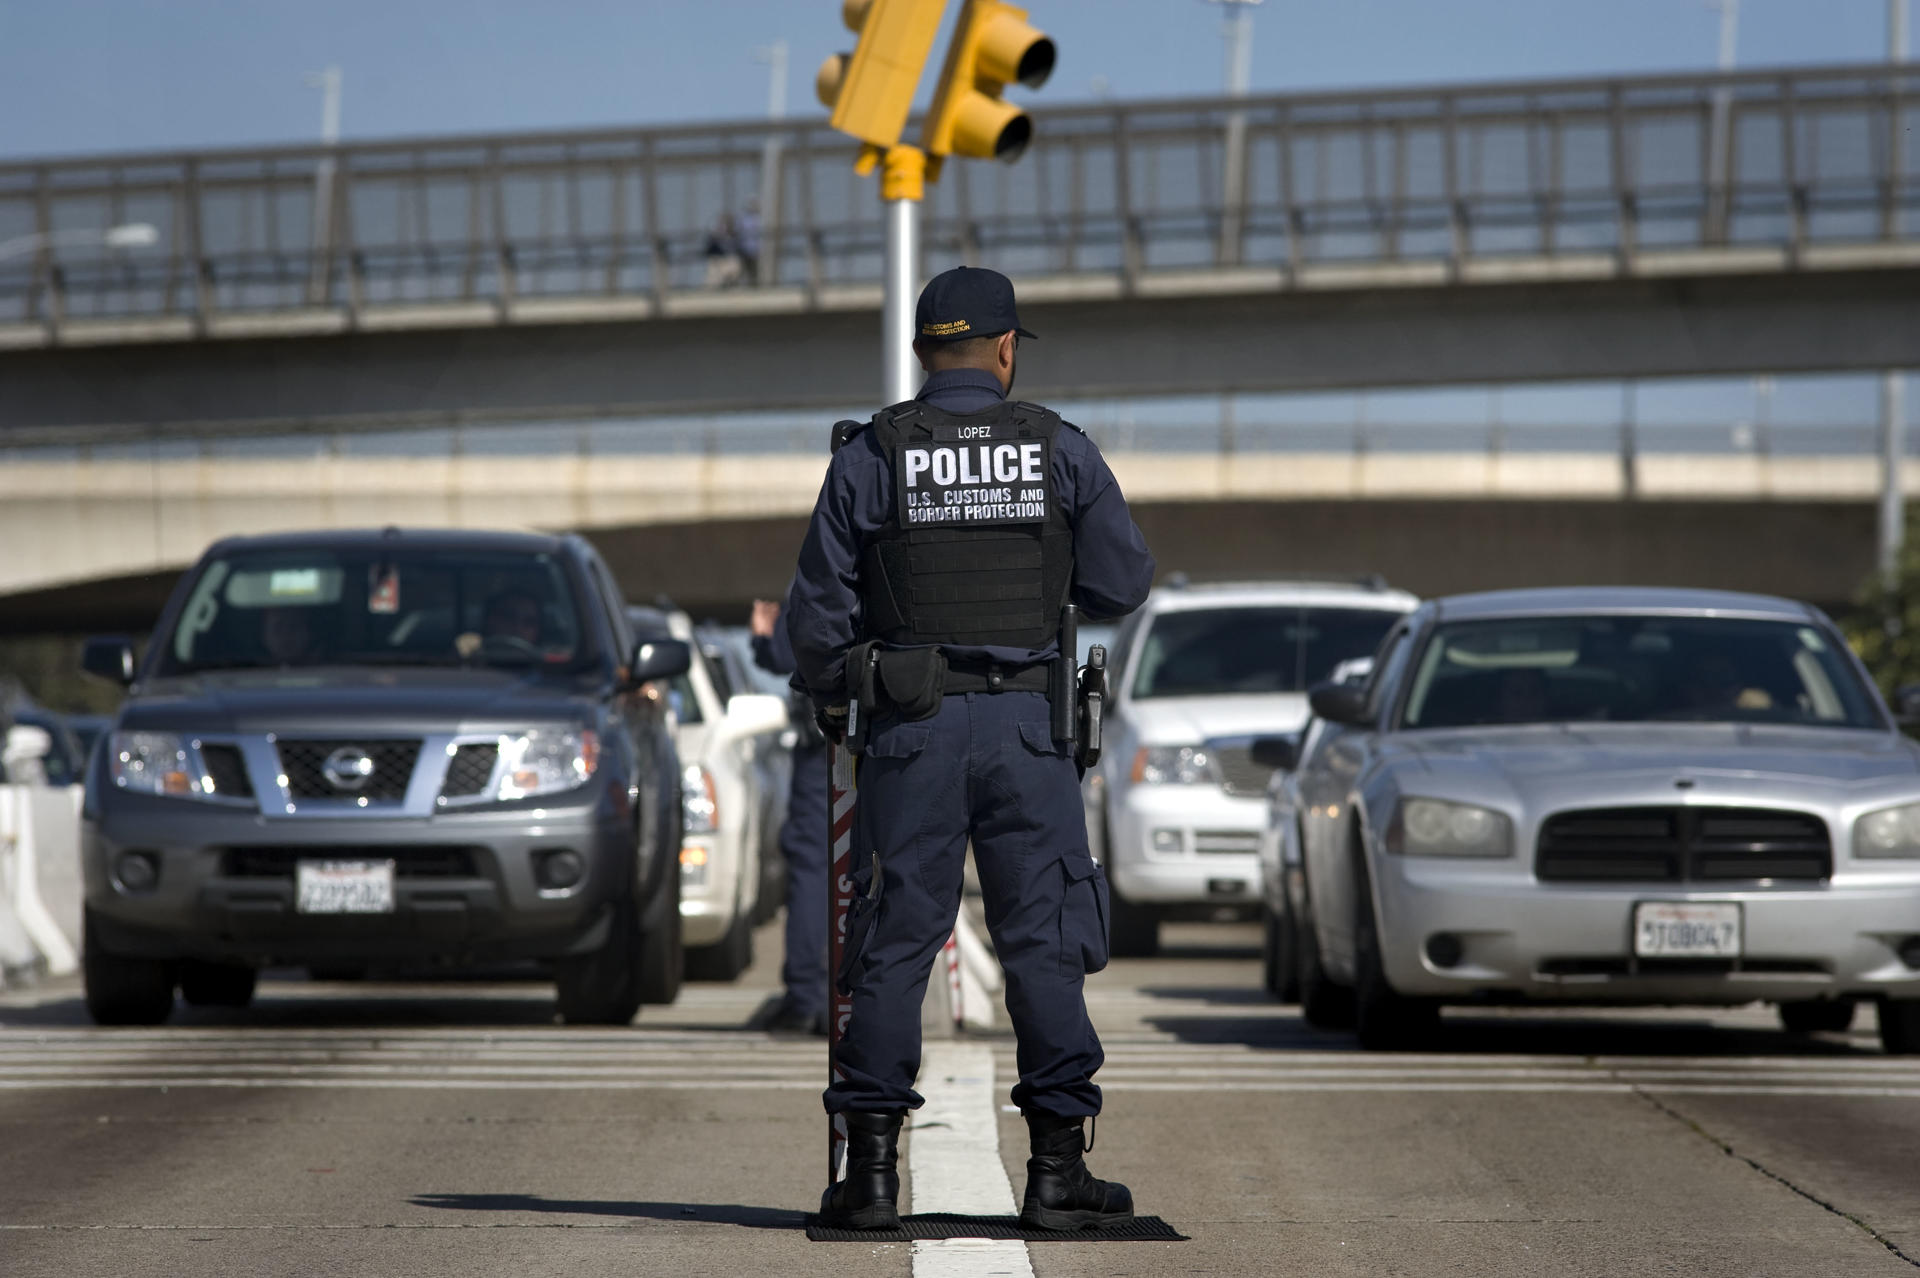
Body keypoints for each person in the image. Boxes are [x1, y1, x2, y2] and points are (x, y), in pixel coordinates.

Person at [786, 265, 1156, 1232]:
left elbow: (817, 620)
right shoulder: (1058, 449)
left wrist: (835, 695)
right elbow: (1124, 584)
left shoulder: (873, 453)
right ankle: (1056, 1174)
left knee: (895, 943)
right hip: (1031, 732)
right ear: (1004, 352)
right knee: (1043, 940)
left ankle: (868, 1179)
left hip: (912, 730)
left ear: (920, 354)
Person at [748, 590, 829, 1036]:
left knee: (813, 868)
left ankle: (806, 999)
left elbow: (782, 654)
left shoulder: (827, 562)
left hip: (827, 748)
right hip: (893, 742)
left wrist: (763, 636)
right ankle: (862, 1001)